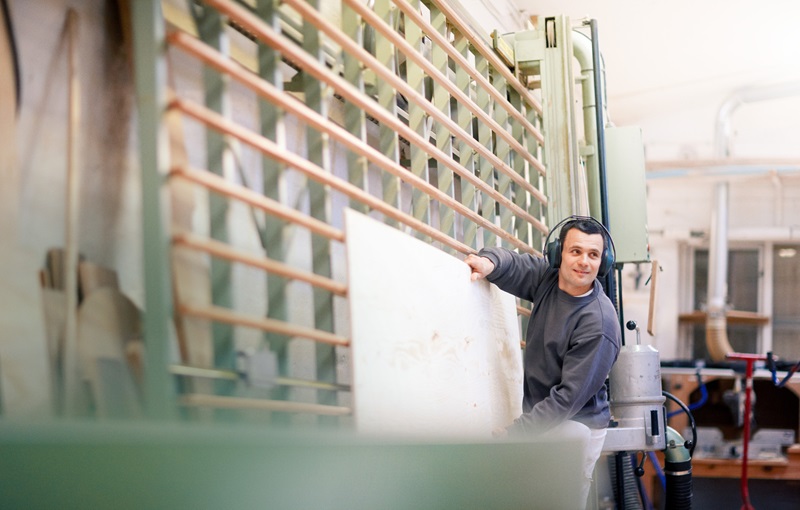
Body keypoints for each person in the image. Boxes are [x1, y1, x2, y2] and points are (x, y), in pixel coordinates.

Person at [464, 216, 621, 507]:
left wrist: (518, 434)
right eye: (576, 251)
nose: (584, 262)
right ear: (558, 253)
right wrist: (489, 263)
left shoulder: (598, 324)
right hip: (543, 416)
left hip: (575, 424)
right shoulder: (548, 279)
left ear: (604, 262)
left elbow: (567, 399)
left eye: (593, 254)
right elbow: (514, 264)